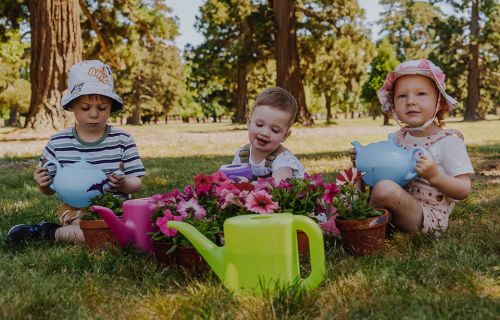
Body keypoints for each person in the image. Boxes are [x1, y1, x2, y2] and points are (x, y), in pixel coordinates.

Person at [7, 60, 146, 245]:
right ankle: (48, 232)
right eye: (85, 108)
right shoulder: (59, 142)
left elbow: (136, 182)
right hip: (76, 209)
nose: (94, 114)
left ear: (111, 106)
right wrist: (43, 184)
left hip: (116, 209)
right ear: (71, 106)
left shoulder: (123, 140)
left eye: (102, 108)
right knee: (96, 232)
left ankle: (57, 233)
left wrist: (123, 183)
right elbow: (48, 188)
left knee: (124, 231)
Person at [351, 59, 473, 234]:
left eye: (421, 93)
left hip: (425, 217)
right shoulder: (399, 137)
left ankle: (367, 232)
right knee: (357, 177)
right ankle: (358, 220)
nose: (410, 101)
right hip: (394, 205)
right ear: (393, 104)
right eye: (402, 96)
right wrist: (364, 159)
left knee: (385, 188)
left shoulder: (447, 141)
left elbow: (463, 189)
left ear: (438, 101)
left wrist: (435, 176)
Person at [231, 86, 305, 182]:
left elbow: (277, 188)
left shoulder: (283, 160)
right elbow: (230, 179)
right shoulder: (242, 155)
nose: (265, 133)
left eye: (274, 130)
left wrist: (247, 185)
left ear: (285, 136)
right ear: (249, 123)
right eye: (259, 125)